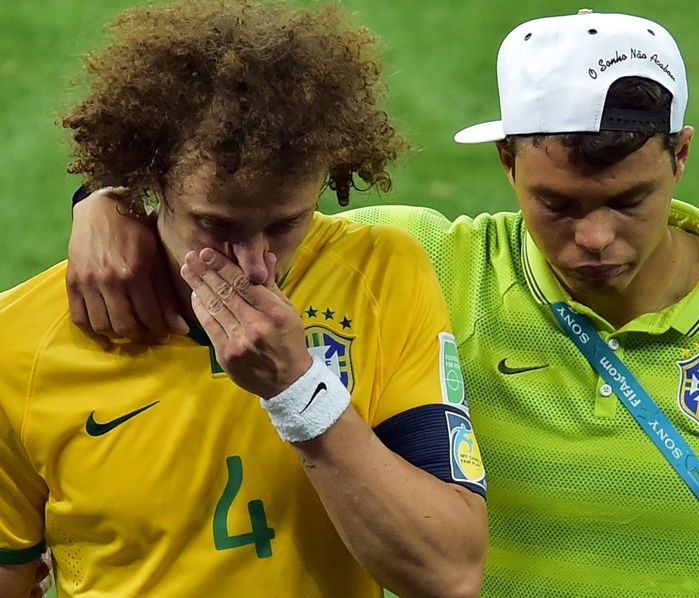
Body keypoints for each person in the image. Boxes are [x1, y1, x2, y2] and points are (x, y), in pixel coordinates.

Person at [63, 8, 699, 598]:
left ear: (681, 155)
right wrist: (108, 200)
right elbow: (240, 205)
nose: (596, 238)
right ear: (506, 160)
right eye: (558, 205)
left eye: (629, 201)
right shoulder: (413, 261)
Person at [0, 1, 490, 597]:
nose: (256, 263)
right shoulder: (19, 342)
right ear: (149, 179)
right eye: (216, 224)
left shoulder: (382, 275)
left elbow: (449, 575)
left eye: (286, 224)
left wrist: (298, 393)